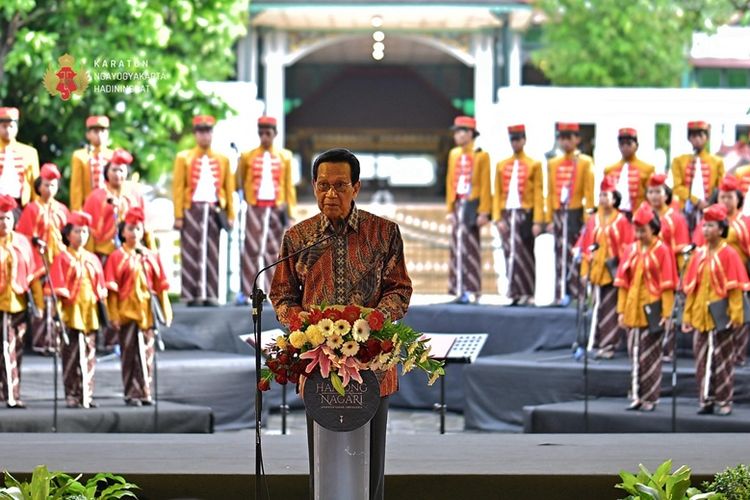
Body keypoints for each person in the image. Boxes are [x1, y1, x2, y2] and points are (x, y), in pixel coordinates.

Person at [269, 148, 412, 500]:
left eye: (339, 186)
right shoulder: (298, 238)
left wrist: (377, 320)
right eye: (322, 186)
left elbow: (399, 289)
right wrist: (299, 325)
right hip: (317, 364)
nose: (329, 194)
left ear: (356, 187)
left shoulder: (384, 233)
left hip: (372, 363)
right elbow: (282, 295)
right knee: (322, 464)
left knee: (371, 466)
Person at [681, 203, 747, 416]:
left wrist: (736, 315)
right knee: (701, 360)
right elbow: (692, 289)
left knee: (723, 360)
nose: (705, 230)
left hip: (722, 317)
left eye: (710, 226)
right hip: (701, 316)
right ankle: (705, 399)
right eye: (704, 225)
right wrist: (687, 316)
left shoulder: (729, 254)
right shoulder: (698, 254)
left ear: (721, 229)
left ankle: (724, 400)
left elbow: (736, 290)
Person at [104, 207, 172, 407]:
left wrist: (166, 310)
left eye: (138, 229)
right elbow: (112, 291)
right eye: (131, 229)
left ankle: (145, 391)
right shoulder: (117, 256)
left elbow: (161, 286)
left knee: (147, 353)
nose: (134, 233)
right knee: (129, 354)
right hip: (126, 314)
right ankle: (131, 392)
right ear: (123, 232)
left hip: (146, 314)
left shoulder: (150, 255)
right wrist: (113, 314)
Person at [614, 203, 677, 411]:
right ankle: (636, 395)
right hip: (633, 308)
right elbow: (623, 283)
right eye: (637, 230)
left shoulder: (662, 250)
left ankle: (650, 397)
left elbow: (668, 286)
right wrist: (621, 311)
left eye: (643, 230)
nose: (639, 234)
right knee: (634, 352)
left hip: (653, 309)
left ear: (653, 228)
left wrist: (667, 314)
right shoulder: (631, 250)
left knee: (649, 355)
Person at [172, 115, 235, 306]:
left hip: (214, 209)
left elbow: (229, 188)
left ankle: (210, 295)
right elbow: (177, 187)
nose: (204, 135)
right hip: (192, 209)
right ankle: (191, 296)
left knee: (212, 252)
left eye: (208, 131)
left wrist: (230, 214)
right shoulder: (184, 157)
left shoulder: (223, 159)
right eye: (201, 131)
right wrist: (178, 215)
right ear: (195, 134)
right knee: (191, 250)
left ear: (212, 133)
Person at [50, 212, 107, 408]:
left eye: (84, 231)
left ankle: (87, 394)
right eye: (77, 231)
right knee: (71, 354)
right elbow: (56, 287)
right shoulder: (62, 258)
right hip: (71, 312)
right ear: (68, 234)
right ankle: (72, 394)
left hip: (89, 312)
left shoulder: (92, 258)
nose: (81, 235)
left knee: (89, 353)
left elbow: (100, 287)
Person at [692, 175, 750, 367]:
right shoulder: (709, 222)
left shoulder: (745, 222)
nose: (725, 201)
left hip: (739, 276)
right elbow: (699, 247)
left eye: (729, 197)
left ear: (738, 199)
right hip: (712, 277)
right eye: (722, 197)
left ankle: (737, 355)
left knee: (739, 314)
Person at [236, 116, 296, 299]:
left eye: (268, 133)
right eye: (261, 133)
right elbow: (237, 181)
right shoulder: (247, 156)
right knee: (251, 249)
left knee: (274, 251)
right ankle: (247, 292)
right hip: (255, 206)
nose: (264, 137)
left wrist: (291, 213)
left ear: (275, 134)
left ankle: (273, 292)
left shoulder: (285, 156)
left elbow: (288, 186)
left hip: (277, 206)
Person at [16, 163, 70, 354]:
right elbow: (22, 236)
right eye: (46, 185)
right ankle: (40, 341)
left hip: (58, 260)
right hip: (39, 260)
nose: (50, 189)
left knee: (56, 300)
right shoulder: (31, 208)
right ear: (39, 186)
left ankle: (55, 341)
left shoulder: (62, 209)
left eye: (53, 185)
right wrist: (34, 240)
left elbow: (68, 234)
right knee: (39, 299)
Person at [578, 177, 634, 359]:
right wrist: (584, 271)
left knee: (611, 308)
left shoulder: (622, 221)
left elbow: (628, 247)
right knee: (597, 307)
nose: (602, 199)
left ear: (615, 198)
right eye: (600, 195)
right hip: (596, 271)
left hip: (613, 271)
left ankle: (609, 345)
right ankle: (594, 343)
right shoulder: (593, 220)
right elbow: (587, 246)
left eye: (606, 195)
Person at [493, 124, 543, 306]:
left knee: (526, 253)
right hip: (507, 214)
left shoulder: (534, 164)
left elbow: (538, 193)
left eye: (518, 139)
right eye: (513, 139)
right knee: (509, 252)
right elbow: (497, 192)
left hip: (525, 214)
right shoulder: (502, 164)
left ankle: (528, 293)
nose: (516, 143)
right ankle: (513, 292)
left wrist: (538, 220)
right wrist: (497, 218)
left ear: (524, 140)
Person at [545, 122, 595, 305]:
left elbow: (589, 192)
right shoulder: (553, 163)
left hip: (576, 213)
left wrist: (589, 219)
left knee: (577, 253)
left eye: (569, 138)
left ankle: (578, 294)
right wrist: (549, 217)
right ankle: (560, 293)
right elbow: (550, 192)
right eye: (562, 138)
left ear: (577, 139)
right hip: (559, 212)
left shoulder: (585, 161)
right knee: (559, 253)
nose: (565, 142)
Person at [0, 195, 42, 408]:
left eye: (7, 218)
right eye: (0, 218)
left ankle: (8, 390)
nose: (3, 223)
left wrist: (39, 303)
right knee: (6, 346)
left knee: (15, 349)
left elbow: (33, 276)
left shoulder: (23, 242)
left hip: (19, 302)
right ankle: (11, 396)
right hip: (1, 305)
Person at [445, 116, 491, 304]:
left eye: (460, 131)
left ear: (470, 133)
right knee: (457, 247)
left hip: (473, 204)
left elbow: (486, 184)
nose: (457, 135)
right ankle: (458, 289)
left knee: (471, 247)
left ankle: (473, 290)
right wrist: (450, 207)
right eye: (456, 132)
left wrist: (484, 211)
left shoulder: (481, 155)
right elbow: (450, 182)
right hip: (458, 204)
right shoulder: (454, 154)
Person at [645, 173, 690, 359]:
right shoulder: (644, 216)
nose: (654, 196)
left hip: (668, 272)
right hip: (647, 271)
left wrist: (682, 274)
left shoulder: (676, 218)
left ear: (667, 194)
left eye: (658, 192)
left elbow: (681, 251)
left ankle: (667, 349)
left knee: (667, 309)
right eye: (651, 192)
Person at [82, 148, 143, 260]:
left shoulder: (134, 196)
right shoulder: (95, 197)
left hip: (131, 253)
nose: (117, 174)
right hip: (103, 252)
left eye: (121, 170)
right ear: (106, 172)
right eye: (114, 170)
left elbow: (143, 225)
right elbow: (87, 229)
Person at [671, 121, 725, 231]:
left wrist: (709, 204)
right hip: (686, 210)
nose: (697, 139)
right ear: (689, 139)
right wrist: (697, 201)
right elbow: (677, 187)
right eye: (693, 136)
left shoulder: (717, 162)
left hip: (710, 209)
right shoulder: (679, 161)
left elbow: (720, 187)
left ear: (707, 138)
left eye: (701, 135)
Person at [603, 128, 655, 218]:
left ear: (637, 146)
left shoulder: (647, 169)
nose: (625, 147)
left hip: (637, 215)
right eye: (622, 144)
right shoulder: (610, 170)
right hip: (615, 216)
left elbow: (651, 197)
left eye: (629, 144)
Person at [0, 107, 39, 215]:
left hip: (20, 204)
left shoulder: (29, 152)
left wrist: (37, 207)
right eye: (4, 126)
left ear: (16, 127)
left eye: (11, 126)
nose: (7, 130)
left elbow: (35, 183)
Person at [69, 116, 113, 211]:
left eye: (103, 131)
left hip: (109, 207)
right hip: (89, 208)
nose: (99, 134)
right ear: (88, 135)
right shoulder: (80, 156)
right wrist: (77, 211)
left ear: (107, 134)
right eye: (96, 131)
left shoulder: (112, 156)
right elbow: (76, 188)